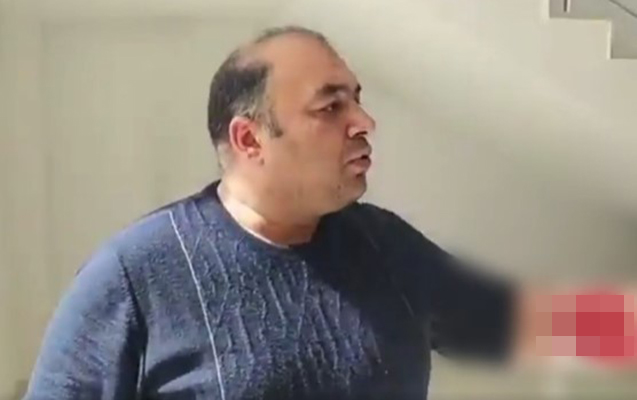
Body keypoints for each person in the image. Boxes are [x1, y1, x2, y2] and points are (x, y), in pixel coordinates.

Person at [25, 26, 636, 400]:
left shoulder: (384, 246)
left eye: (358, 100)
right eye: (330, 107)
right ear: (250, 139)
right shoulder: (135, 275)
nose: (364, 122)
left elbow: (511, 321)